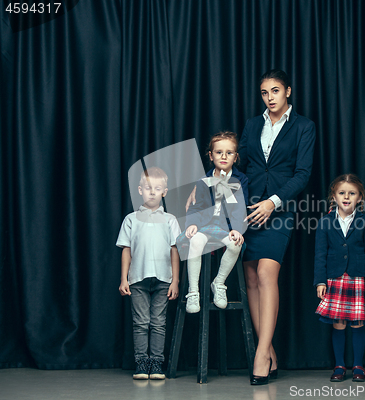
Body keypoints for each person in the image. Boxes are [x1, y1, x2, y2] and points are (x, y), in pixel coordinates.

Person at [239, 69, 316, 385]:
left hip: (279, 209)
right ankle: (269, 350)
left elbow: (302, 174)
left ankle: (260, 355)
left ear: (288, 92)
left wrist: (273, 202)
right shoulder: (253, 124)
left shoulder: (303, 126)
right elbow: (240, 163)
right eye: (263, 92)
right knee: (251, 278)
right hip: (247, 208)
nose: (269, 97)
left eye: (274, 91)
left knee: (268, 273)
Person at [313, 174, 365, 383]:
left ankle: (358, 365)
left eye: (352, 193)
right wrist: (320, 281)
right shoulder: (324, 222)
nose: (346, 197)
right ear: (333, 196)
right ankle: (340, 365)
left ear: (360, 198)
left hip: (358, 279)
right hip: (334, 279)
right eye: (342, 193)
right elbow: (320, 254)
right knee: (339, 324)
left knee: (357, 325)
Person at [116, 167, 181, 380]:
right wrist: (124, 278)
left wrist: (176, 280)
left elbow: (175, 250)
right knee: (141, 322)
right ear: (140, 190)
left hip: (164, 279)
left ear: (165, 191)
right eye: (148, 188)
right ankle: (142, 363)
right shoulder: (131, 219)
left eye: (157, 188)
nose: (152, 192)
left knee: (159, 322)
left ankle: (156, 363)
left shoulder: (170, 219)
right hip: (138, 279)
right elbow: (126, 249)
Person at [177, 131, 248, 313]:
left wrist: (236, 229)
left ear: (236, 157)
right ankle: (193, 291)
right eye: (218, 152)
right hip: (203, 225)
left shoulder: (240, 180)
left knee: (235, 244)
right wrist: (192, 224)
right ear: (210, 155)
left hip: (225, 227)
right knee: (196, 241)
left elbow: (240, 208)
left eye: (229, 153)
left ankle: (219, 282)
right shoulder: (203, 181)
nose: (223, 156)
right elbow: (196, 206)